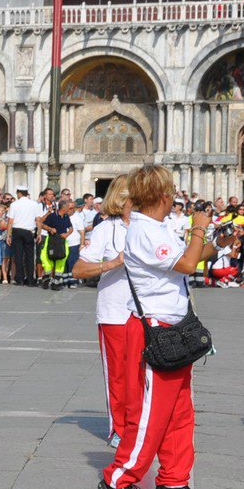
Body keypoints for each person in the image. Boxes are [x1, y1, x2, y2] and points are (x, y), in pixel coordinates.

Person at [98, 167, 224, 489]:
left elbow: (189, 259)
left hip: (174, 326)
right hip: (155, 330)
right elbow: (185, 263)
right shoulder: (144, 231)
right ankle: (119, 477)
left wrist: (216, 244)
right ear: (163, 195)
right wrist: (199, 225)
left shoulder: (157, 228)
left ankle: (174, 480)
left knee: (180, 411)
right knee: (152, 413)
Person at [71, 177, 136, 449]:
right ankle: (119, 428)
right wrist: (113, 263)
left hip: (148, 313)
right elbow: (79, 270)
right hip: (115, 312)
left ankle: (142, 425)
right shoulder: (106, 230)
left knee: (145, 374)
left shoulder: (158, 227)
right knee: (119, 374)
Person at [6, 187, 42, 286]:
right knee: (30, 256)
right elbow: (38, 219)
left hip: (17, 230)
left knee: (18, 255)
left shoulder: (14, 204)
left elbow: (10, 221)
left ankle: (20, 278)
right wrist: (39, 233)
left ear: (19, 193)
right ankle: (30, 279)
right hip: (29, 231)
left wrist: (8, 235)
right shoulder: (34, 204)